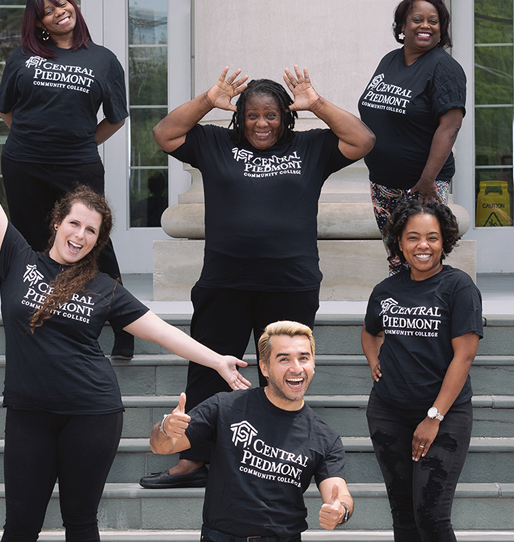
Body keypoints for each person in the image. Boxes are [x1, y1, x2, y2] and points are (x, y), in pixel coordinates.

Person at [0, 88, 250, 542]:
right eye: (74, 223)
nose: (79, 235)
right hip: (29, 413)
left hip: (91, 412)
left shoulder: (104, 287)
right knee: (22, 524)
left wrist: (217, 360)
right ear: (57, 222)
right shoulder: (16, 258)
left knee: (80, 521)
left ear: (98, 240)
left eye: (91, 231)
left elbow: (161, 331)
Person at [140, 66, 375, 489]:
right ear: (238, 117)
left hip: (290, 282)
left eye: (271, 115)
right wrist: (207, 101)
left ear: (286, 117)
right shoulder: (215, 143)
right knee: (207, 369)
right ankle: (193, 459)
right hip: (224, 281)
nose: (261, 124)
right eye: (252, 115)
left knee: (284, 369)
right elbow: (164, 134)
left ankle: (277, 458)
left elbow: (363, 140)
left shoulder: (311, 147)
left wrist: (317, 103)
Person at [152, 321, 353, 542]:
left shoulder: (324, 436)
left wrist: (340, 511)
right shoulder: (226, 407)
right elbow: (161, 446)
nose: (296, 368)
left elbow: (339, 493)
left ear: (313, 364)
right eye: (284, 359)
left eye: (304, 358)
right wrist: (166, 427)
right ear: (265, 367)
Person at [0, 0, 135, 358]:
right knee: (26, 244)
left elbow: (117, 118)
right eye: (47, 11)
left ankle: (123, 324)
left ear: (72, 5)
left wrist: (81, 142)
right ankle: (29, 319)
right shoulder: (23, 56)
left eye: (62, 2)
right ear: (38, 23)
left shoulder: (102, 60)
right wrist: (33, 140)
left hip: (78, 164)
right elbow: (5, 110)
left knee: (93, 240)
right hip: (24, 163)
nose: (59, 11)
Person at [360, 199, 481, 542]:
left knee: (431, 514)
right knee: (403, 514)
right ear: (399, 242)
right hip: (388, 412)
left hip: (443, 415)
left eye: (432, 237)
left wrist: (434, 417)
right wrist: (374, 359)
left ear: (445, 241)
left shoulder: (458, 286)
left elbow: (463, 357)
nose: (422, 245)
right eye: (412, 237)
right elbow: (369, 331)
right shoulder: (386, 288)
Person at [358, 0, 466, 274]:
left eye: (434, 21)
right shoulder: (390, 60)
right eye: (417, 19)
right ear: (403, 25)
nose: (425, 26)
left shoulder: (445, 68)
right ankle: (398, 311)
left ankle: (429, 312)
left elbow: (450, 126)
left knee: (422, 257)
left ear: (441, 29)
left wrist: (428, 180)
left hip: (421, 185)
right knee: (397, 257)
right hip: (382, 183)